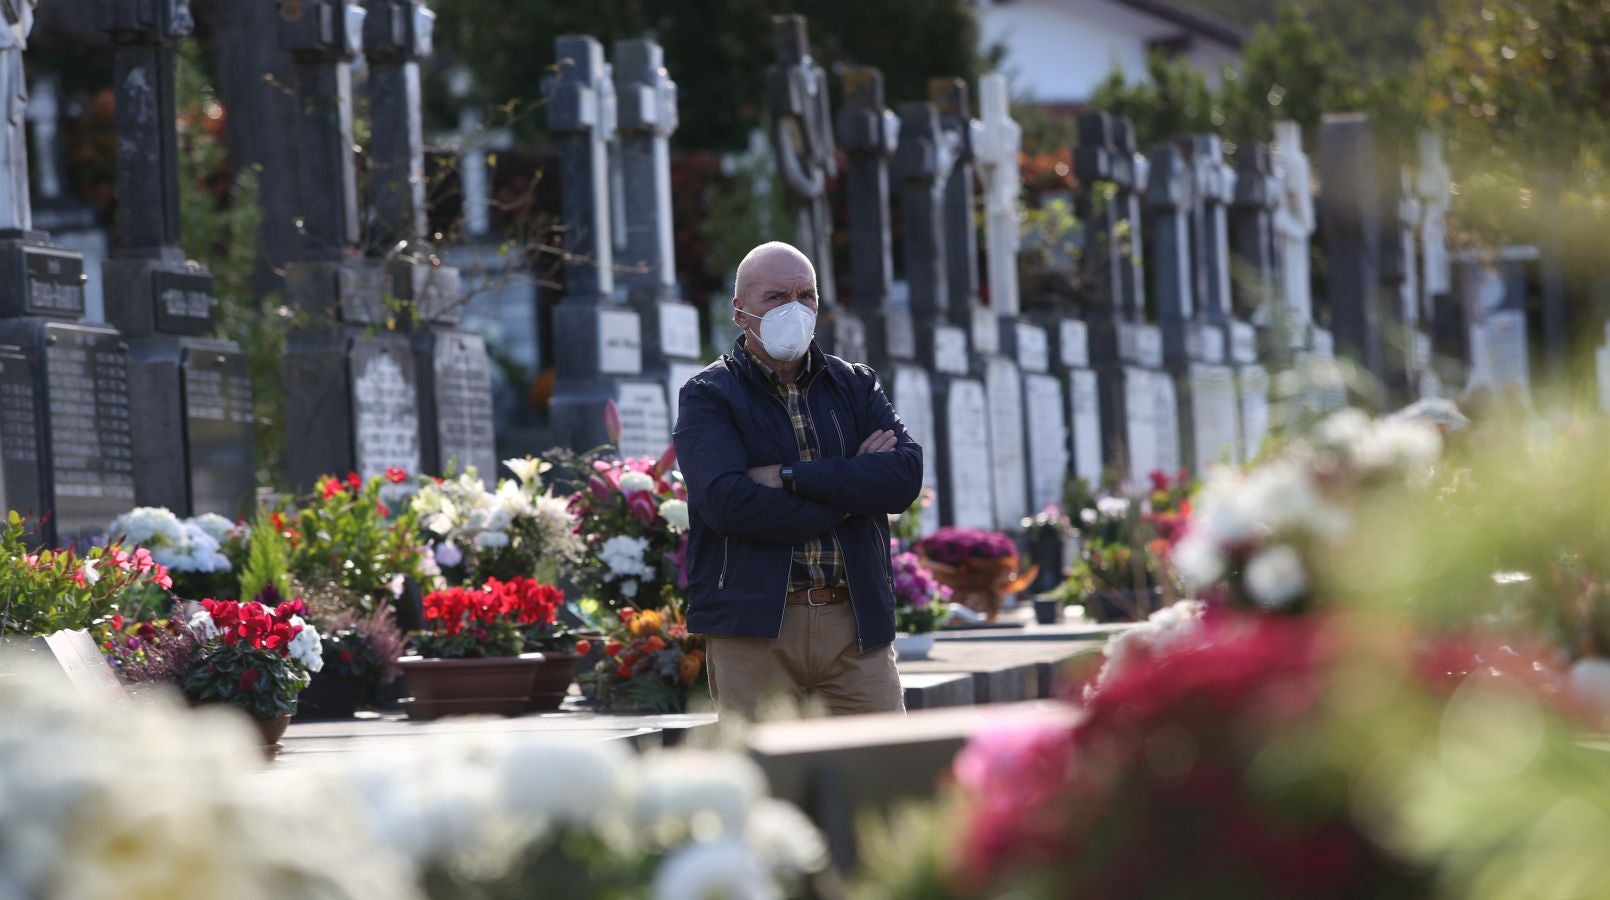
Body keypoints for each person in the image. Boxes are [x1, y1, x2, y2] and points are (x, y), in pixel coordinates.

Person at [673, 241, 923, 719]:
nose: (795, 308)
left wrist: (788, 476)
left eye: (805, 295)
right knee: (768, 784)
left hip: (855, 627)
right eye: (776, 296)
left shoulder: (855, 385)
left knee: (883, 775)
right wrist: (849, 493)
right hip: (755, 629)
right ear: (739, 311)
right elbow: (726, 503)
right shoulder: (709, 395)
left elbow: (903, 477)